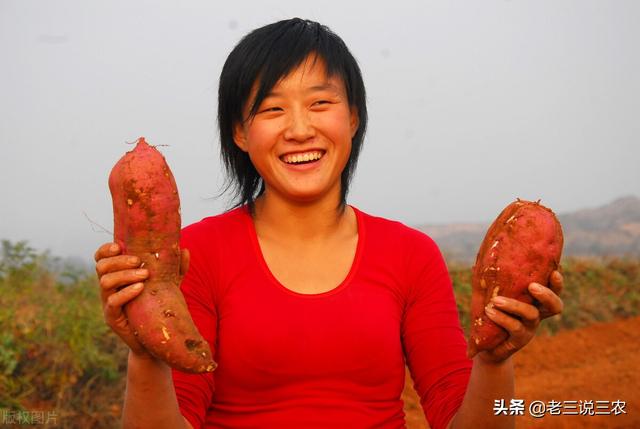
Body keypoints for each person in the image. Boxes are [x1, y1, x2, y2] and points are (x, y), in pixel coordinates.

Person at [94, 18, 564, 429]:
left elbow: (457, 414)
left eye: (320, 103)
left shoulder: (411, 254)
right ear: (239, 132)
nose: (299, 128)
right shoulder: (196, 254)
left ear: (354, 117)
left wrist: (496, 361)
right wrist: (146, 353)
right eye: (272, 108)